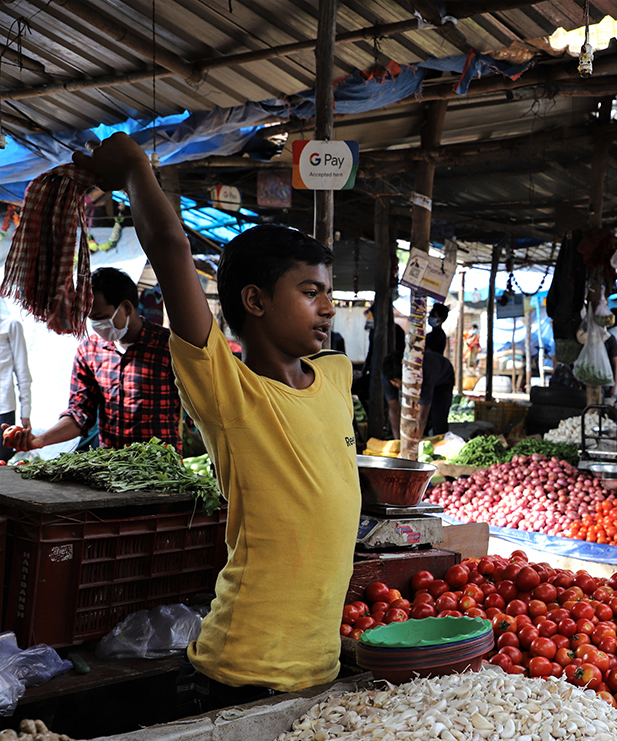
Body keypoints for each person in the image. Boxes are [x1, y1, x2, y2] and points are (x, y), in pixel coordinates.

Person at [73, 133, 360, 710]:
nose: (328, 307)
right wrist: (133, 169)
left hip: (319, 668)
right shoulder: (228, 391)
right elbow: (171, 250)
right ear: (253, 301)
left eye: (328, 292)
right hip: (241, 669)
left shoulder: (335, 376)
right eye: (309, 292)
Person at [4, 268, 182, 453]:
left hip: (161, 468)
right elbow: (80, 414)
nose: (96, 325)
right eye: (90, 318)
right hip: (112, 468)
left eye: (99, 317)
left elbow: (199, 406)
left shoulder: (169, 347)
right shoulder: (89, 351)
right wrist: (40, 440)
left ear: (127, 308)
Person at [382, 343, 455, 437]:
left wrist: (413, 444)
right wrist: (398, 441)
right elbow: (394, 410)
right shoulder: (387, 375)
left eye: (398, 382)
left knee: (438, 418)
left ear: (406, 375)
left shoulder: (423, 376)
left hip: (443, 379)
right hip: (430, 373)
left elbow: (422, 417)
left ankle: (439, 443)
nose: (396, 385)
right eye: (394, 382)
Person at [0, 305, 31, 462]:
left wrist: (25, 412)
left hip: (3, 410)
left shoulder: (10, 326)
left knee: (2, 461)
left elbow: (22, 370)